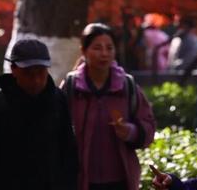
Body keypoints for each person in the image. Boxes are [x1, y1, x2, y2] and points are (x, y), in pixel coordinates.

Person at [0, 37, 78, 190]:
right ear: (14, 69)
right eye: (28, 73)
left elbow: (68, 152)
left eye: (40, 72)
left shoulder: (58, 100)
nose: (36, 80)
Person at [63, 22, 156, 190]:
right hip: (80, 178)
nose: (104, 54)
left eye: (109, 48)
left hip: (120, 179)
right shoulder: (71, 86)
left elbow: (148, 126)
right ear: (83, 51)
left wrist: (130, 131)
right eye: (97, 48)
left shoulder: (127, 85)